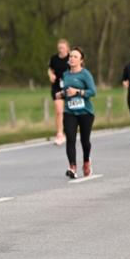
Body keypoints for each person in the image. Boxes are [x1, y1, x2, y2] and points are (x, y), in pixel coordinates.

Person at [55, 47, 97, 178]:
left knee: (85, 140)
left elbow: (93, 92)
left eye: (75, 57)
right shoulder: (66, 75)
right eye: (71, 56)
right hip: (70, 111)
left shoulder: (85, 74)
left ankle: (86, 162)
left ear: (81, 60)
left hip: (85, 112)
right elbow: (66, 90)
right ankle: (72, 166)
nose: (72, 59)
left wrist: (78, 92)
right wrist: (61, 94)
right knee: (70, 139)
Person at [48, 39, 71, 145]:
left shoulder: (71, 58)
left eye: (62, 47)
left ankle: (69, 131)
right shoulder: (54, 59)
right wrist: (51, 75)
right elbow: (50, 69)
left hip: (70, 87)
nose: (60, 50)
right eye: (59, 48)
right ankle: (59, 134)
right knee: (59, 111)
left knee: (69, 112)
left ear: (67, 48)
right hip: (57, 87)